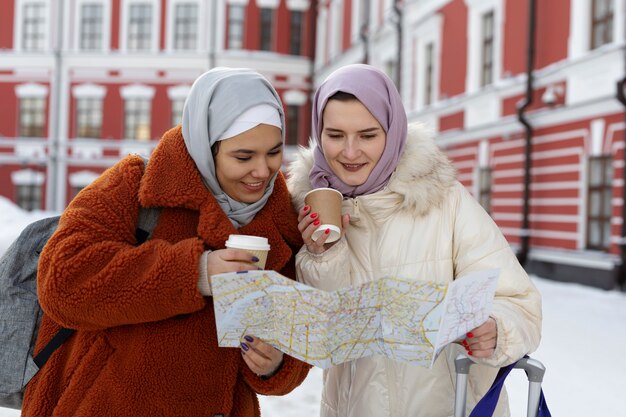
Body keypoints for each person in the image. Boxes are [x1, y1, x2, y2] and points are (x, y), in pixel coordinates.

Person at [24, 67, 311, 417]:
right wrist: (194, 273)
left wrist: (276, 362)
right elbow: (61, 281)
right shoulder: (135, 186)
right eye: (243, 156)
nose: (263, 171)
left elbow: (294, 356)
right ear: (206, 145)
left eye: (274, 152)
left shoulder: (280, 224)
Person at [287, 64, 542, 417]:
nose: (350, 152)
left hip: (453, 407)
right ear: (318, 131)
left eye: (367, 135)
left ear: (392, 131)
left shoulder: (444, 200)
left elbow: (518, 301)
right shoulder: (306, 208)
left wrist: (497, 330)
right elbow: (321, 336)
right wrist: (321, 256)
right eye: (335, 134)